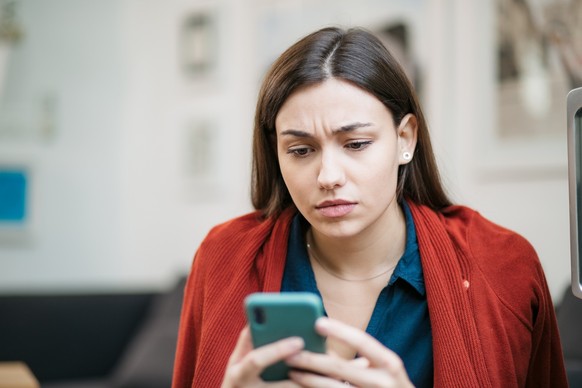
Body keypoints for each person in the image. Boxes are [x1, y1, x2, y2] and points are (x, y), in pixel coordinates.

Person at [172, 26, 567, 387]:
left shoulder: (504, 265)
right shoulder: (222, 255)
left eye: (356, 144)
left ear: (405, 138)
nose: (328, 176)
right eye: (300, 150)